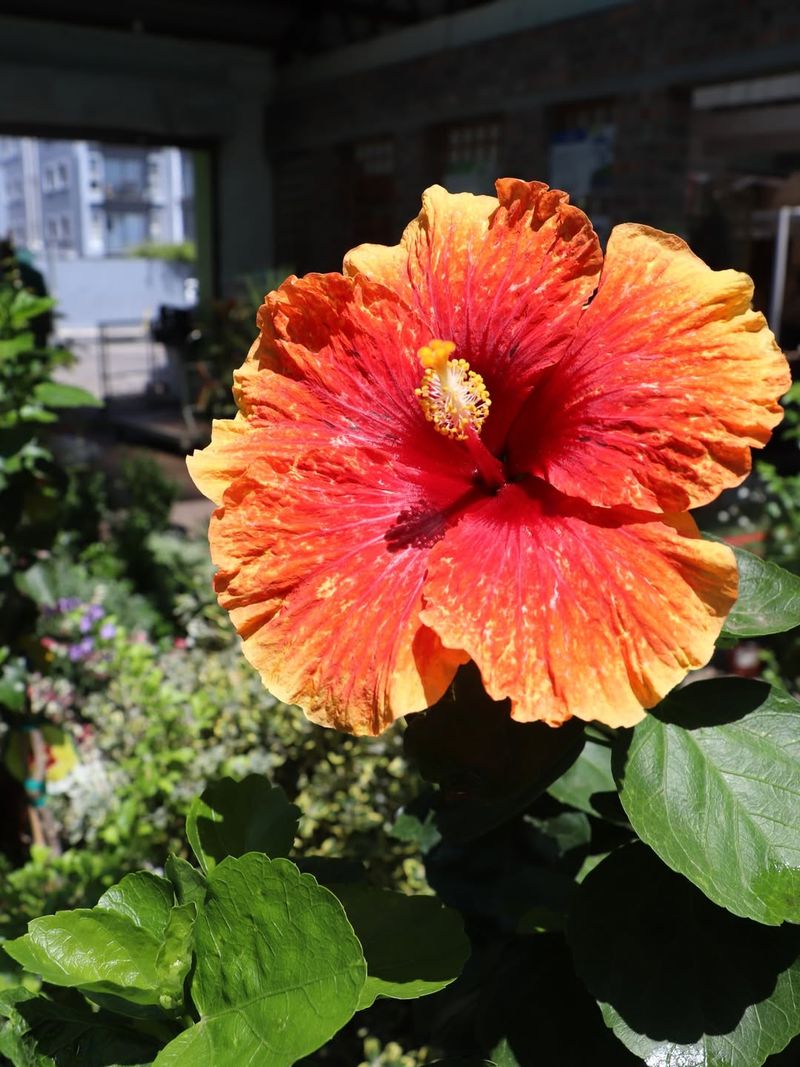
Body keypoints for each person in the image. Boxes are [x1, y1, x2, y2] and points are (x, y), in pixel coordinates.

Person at [0, 236, 53, 348]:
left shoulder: (24, 275)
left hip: (23, 331)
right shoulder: (32, 274)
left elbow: (43, 304)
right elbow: (44, 305)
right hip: (33, 330)